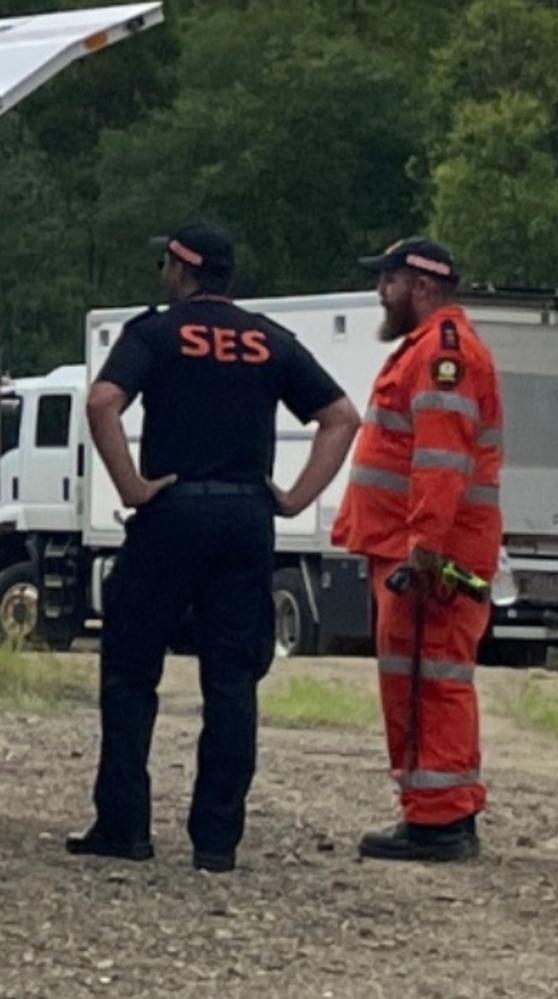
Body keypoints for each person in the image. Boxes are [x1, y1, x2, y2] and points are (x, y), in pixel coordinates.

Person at [67, 222, 359, 872]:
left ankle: (125, 826)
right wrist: (295, 497)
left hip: (171, 513)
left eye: (165, 264)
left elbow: (102, 402)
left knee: (130, 670)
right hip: (245, 519)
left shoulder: (157, 332)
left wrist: (132, 486)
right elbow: (342, 417)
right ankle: (216, 841)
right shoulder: (269, 339)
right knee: (232, 680)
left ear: (182, 269)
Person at [332, 236, 503, 862]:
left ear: (421, 285)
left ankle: (439, 822)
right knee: (424, 681)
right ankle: (440, 811)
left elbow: (439, 460)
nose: (381, 292)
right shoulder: (431, 351)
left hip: (428, 559)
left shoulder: (442, 356)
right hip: (414, 552)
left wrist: (424, 549)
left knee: (427, 684)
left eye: (388, 281)